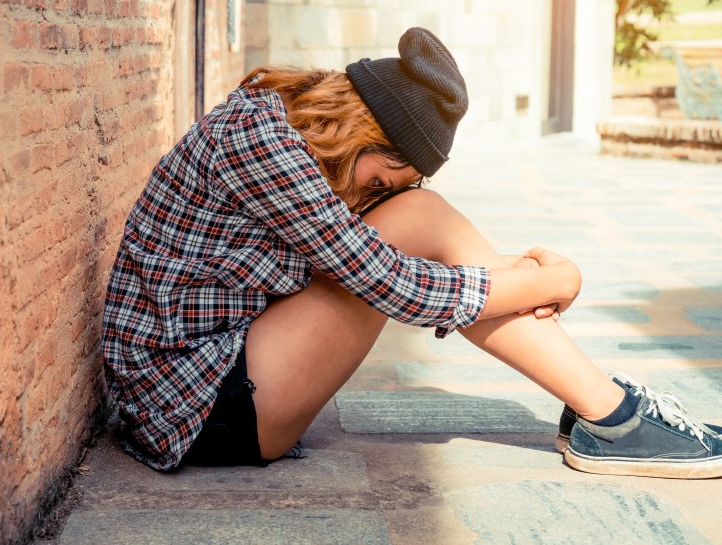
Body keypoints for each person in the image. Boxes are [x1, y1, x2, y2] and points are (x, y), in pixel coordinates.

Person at [101, 27, 722, 479]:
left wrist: (509, 277)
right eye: (380, 181)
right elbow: (394, 287)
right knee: (420, 225)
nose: (370, 195)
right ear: (362, 130)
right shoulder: (264, 147)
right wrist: (551, 280)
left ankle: (603, 406)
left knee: (424, 220)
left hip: (218, 374)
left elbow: (394, 271)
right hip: (189, 407)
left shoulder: (285, 129)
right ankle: (611, 414)